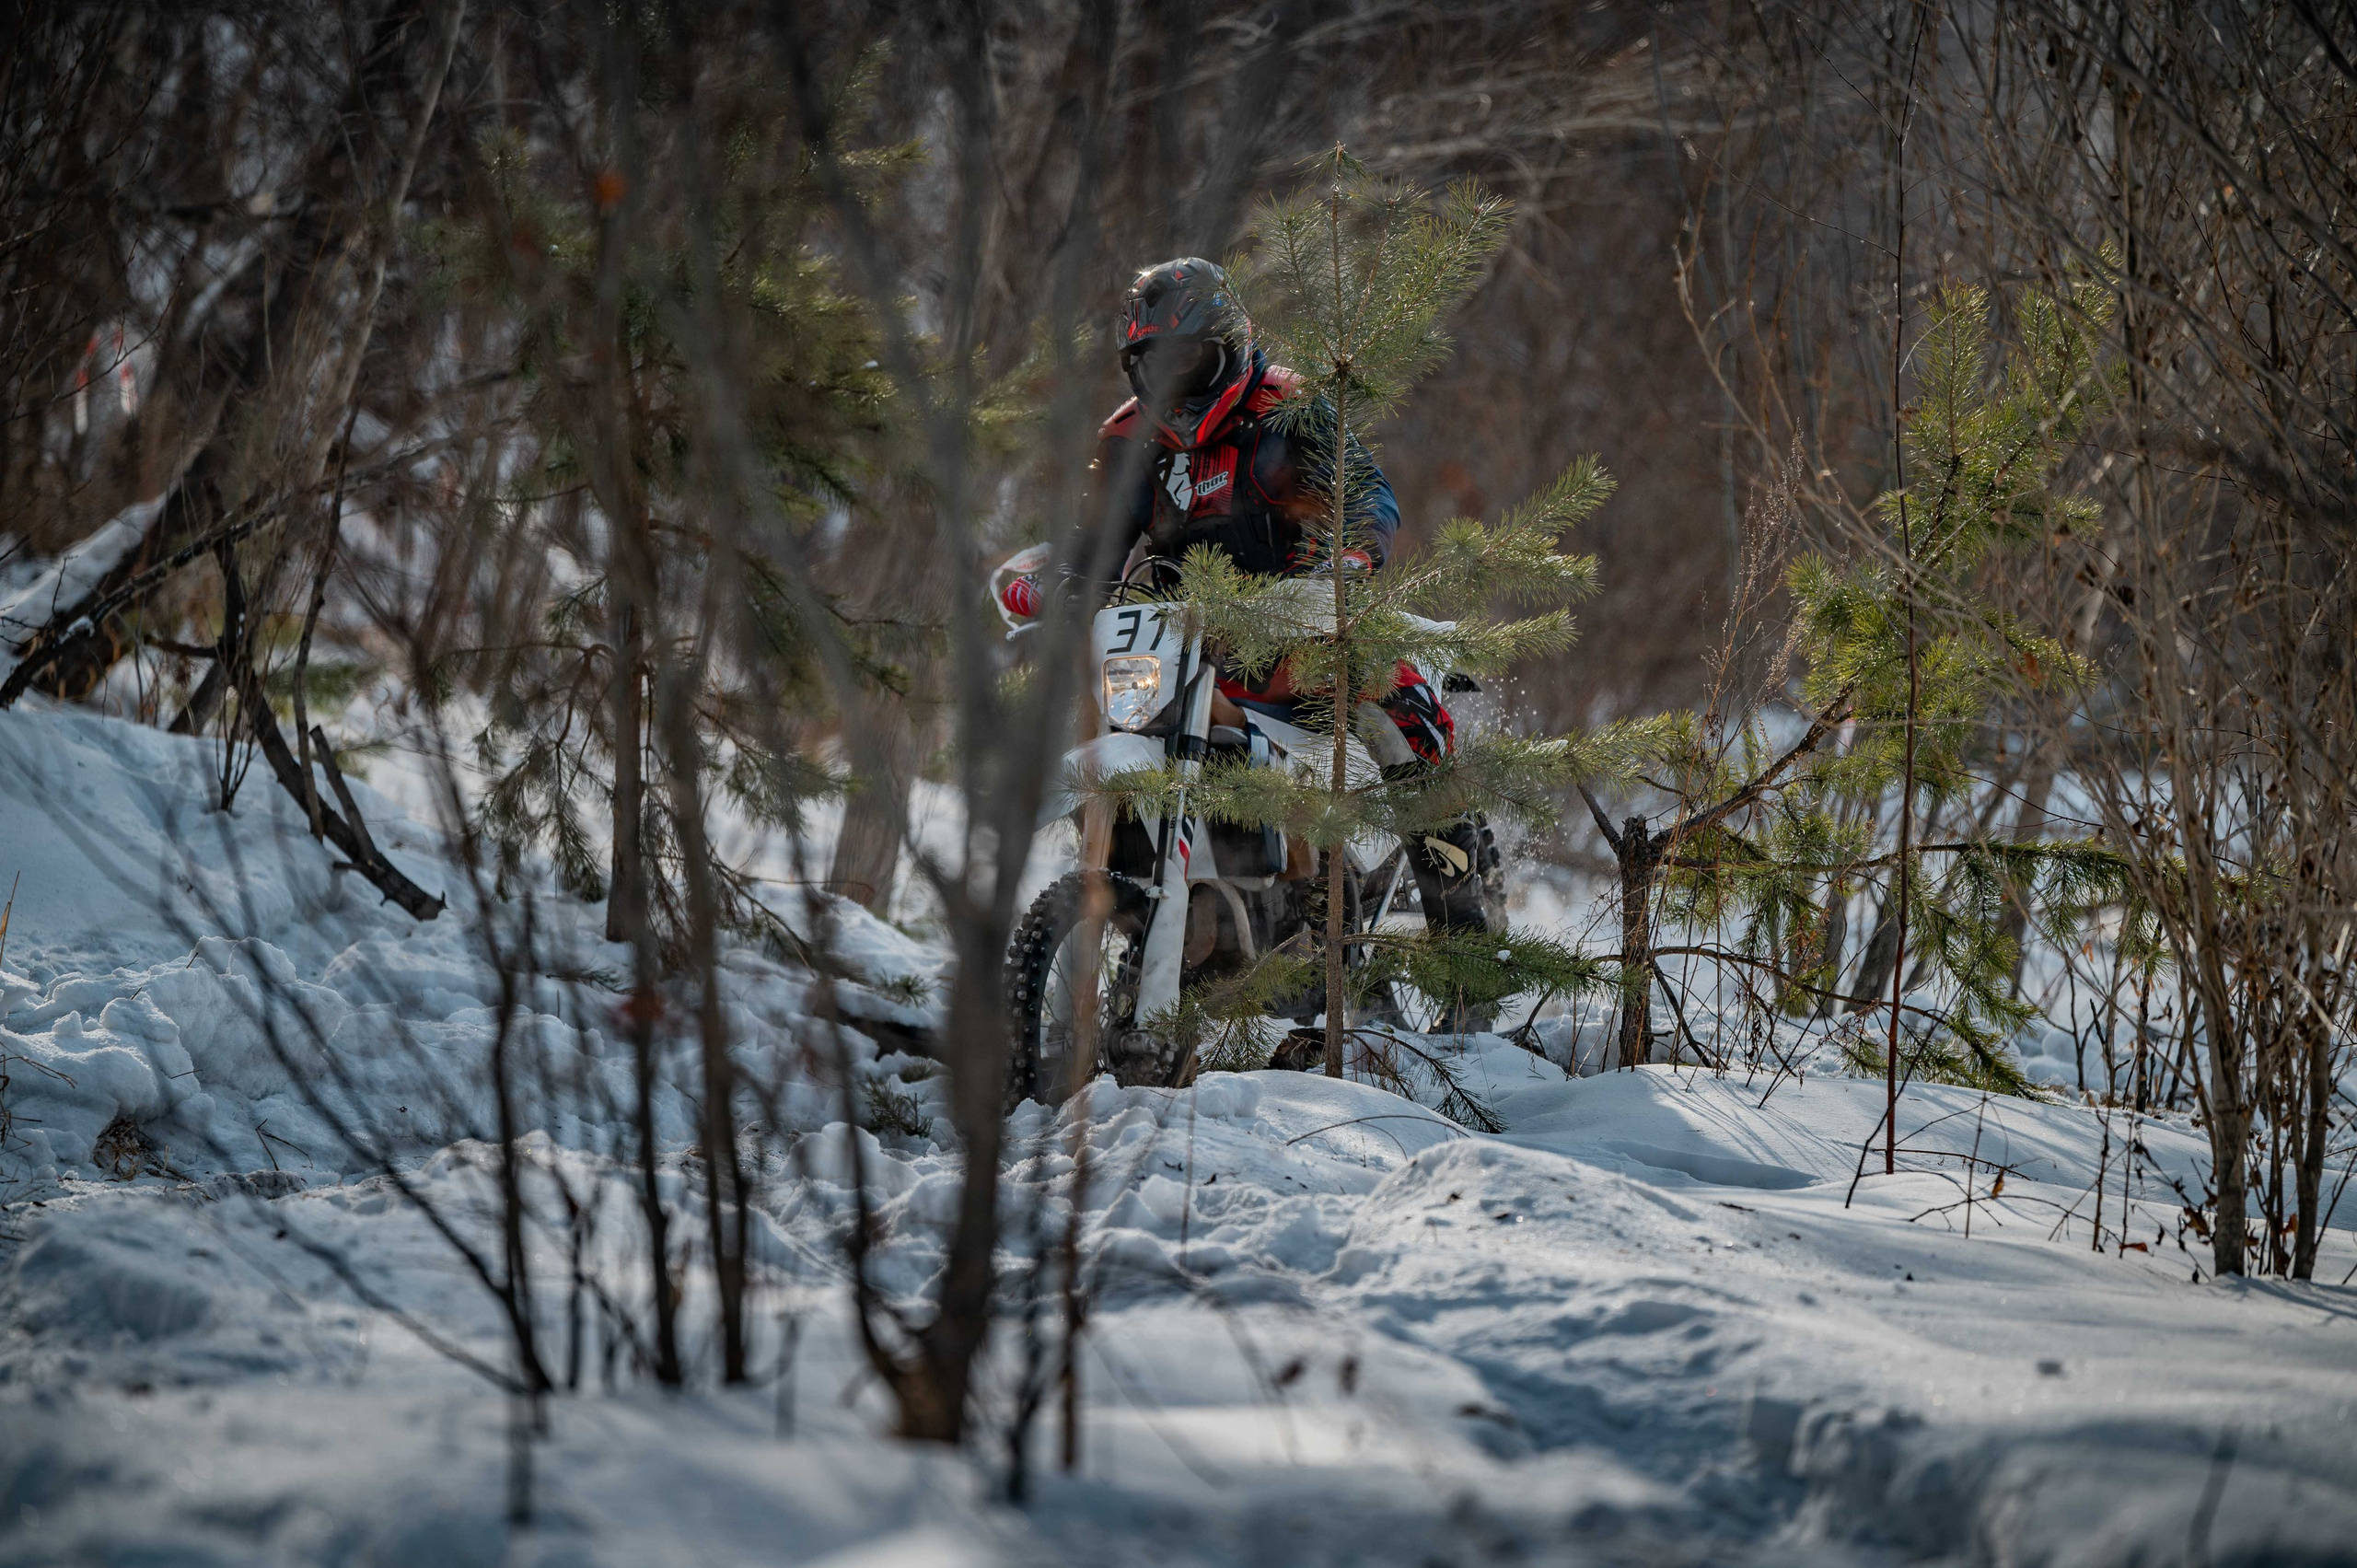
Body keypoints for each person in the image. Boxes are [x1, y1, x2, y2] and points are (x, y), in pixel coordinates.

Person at [1063, 256, 1500, 935]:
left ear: (1232, 350)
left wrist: (1349, 557)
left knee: (1398, 708)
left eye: (1191, 364)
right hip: (1189, 646)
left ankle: (1468, 935)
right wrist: (1065, 586)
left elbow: (1367, 493)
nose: (1175, 386)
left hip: (1307, 624)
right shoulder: (1127, 439)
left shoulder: (1290, 407)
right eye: (1157, 365)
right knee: (1114, 717)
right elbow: (1094, 544)